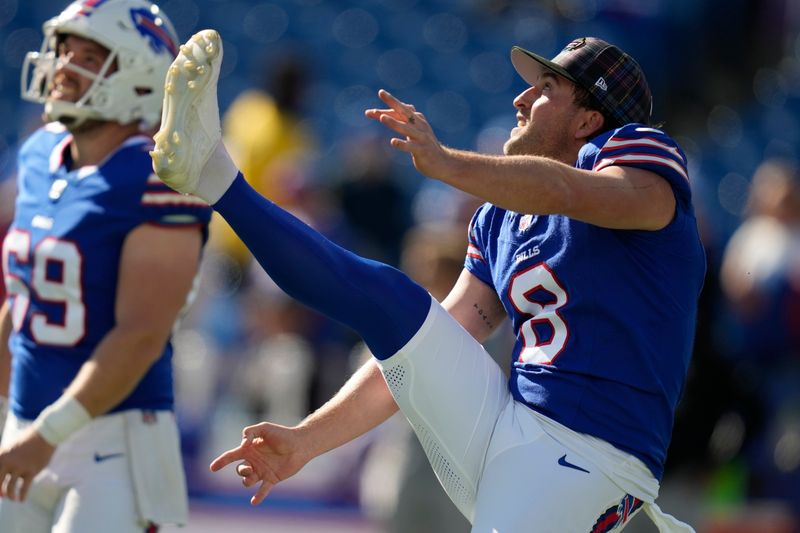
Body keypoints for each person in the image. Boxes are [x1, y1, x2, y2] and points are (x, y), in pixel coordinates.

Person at [152, 31, 705, 532]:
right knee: (400, 304)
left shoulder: (640, 159)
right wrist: (306, 441)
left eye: (545, 88)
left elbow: (571, 194)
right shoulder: (499, 219)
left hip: (591, 458)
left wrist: (446, 164)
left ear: (588, 120)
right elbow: (423, 344)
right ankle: (216, 178)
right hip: (505, 424)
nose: (519, 100)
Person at [0, 1, 211, 531]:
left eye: (89, 57)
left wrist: (47, 434)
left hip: (114, 448)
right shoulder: (39, 153)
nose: (63, 68)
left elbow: (141, 332)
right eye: (64, 51)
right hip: (22, 428)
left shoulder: (157, 176)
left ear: (138, 74)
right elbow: (23, 304)